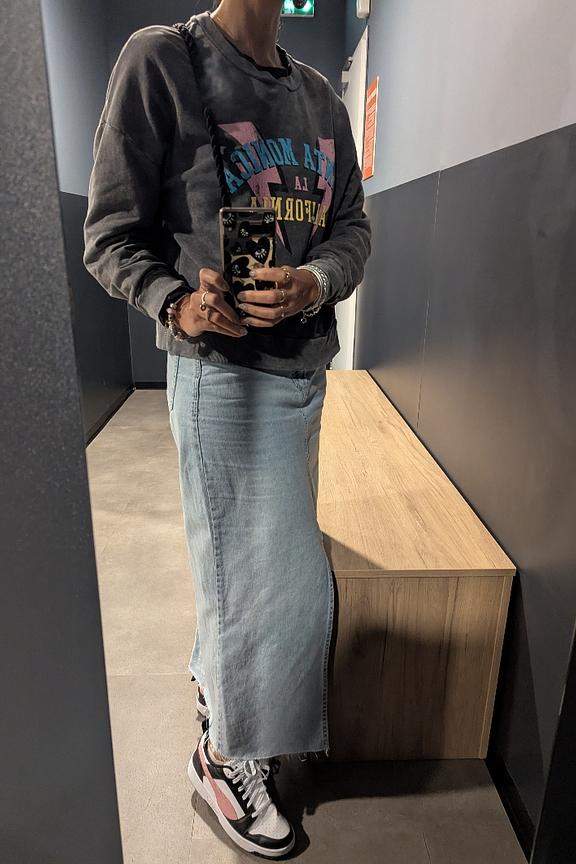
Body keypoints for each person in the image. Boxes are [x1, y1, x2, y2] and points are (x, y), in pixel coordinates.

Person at [83, 0, 371, 857]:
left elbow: (352, 228)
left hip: (306, 372)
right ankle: (224, 756)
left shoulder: (320, 98)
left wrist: (315, 282)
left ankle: (221, 691)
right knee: (281, 590)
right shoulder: (162, 60)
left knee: (246, 574)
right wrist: (176, 301)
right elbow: (109, 236)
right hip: (224, 379)